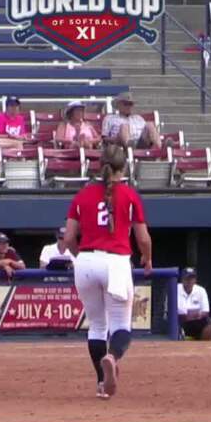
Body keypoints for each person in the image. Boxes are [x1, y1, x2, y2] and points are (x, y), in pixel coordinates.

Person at [66, 143, 152, 399]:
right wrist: (147, 259)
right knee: (120, 325)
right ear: (123, 167)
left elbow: (69, 236)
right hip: (115, 261)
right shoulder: (129, 194)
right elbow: (143, 238)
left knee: (96, 326)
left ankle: (102, 384)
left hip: (86, 261)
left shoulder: (82, 195)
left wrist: (80, 257)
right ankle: (112, 358)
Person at [177, 267, 211, 341]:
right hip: (180, 322)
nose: (189, 281)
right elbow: (174, 311)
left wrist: (197, 315)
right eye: (187, 278)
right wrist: (188, 314)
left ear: (195, 280)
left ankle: (203, 347)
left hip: (196, 320)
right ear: (182, 279)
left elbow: (206, 311)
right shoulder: (175, 288)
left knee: (208, 321)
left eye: (192, 278)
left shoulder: (201, 290)